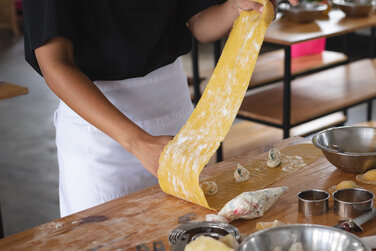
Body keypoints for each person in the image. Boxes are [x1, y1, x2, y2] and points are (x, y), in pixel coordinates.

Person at [23, 0, 296, 217]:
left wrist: (234, 7)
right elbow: (54, 63)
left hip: (174, 111)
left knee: (187, 235)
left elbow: (198, 22)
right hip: (100, 127)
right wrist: (138, 142)